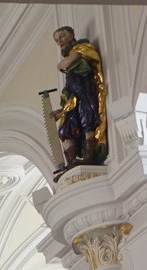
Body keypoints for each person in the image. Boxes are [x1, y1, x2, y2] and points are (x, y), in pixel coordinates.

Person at [52, 26, 107, 169]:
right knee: (65, 129)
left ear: (71, 35)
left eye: (62, 36)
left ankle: (90, 155)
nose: (60, 41)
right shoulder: (71, 55)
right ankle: (70, 164)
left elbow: (71, 60)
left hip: (84, 91)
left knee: (86, 119)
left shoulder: (82, 47)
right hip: (71, 96)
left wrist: (60, 65)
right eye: (57, 40)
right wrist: (61, 110)